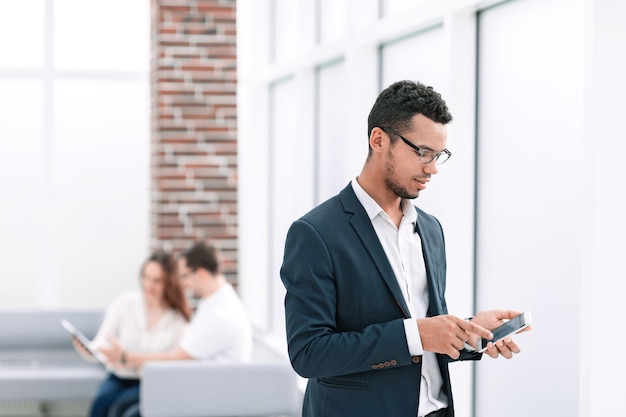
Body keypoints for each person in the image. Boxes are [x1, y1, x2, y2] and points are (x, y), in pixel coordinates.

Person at [280, 80, 531, 417]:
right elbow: (309, 353)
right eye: (422, 152)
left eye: (439, 155)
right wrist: (417, 334)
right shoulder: (315, 233)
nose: (432, 167)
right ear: (379, 140)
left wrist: (473, 333)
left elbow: (425, 333)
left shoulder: (430, 229)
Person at [100, 241, 253, 417]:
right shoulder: (214, 301)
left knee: (129, 412)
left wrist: (126, 357)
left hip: (212, 395)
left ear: (201, 274)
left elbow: (178, 358)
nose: (181, 283)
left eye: (184, 276)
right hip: (203, 387)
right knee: (118, 406)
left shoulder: (220, 314)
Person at [74, 250, 191, 417]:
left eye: (157, 281)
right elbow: (102, 342)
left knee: (121, 407)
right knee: (102, 402)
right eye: (146, 277)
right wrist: (89, 350)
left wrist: (128, 357)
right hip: (120, 376)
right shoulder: (125, 303)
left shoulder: (178, 319)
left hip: (151, 382)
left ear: (169, 282)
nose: (149, 285)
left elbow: (178, 361)